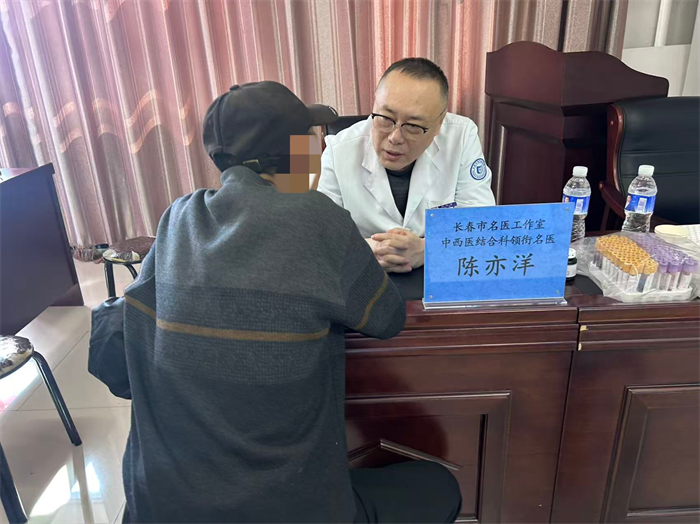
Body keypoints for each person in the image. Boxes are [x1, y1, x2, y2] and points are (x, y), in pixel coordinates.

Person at [88, 81, 462, 524]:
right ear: (296, 153)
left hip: (157, 508)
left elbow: (130, 332)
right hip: (288, 510)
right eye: (312, 140)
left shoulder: (179, 215)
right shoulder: (318, 218)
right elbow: (386, 318)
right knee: (440, 486)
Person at [318, 57, 496, 274]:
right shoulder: (338, 150)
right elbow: (320, 235)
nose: (395, 137)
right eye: (385, 118)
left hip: (438, 269)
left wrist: (427, 249)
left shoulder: (461, 136)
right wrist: (367, 250)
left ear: (439, 125)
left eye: (413, 126)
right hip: (364, 271)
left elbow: (481, 221)